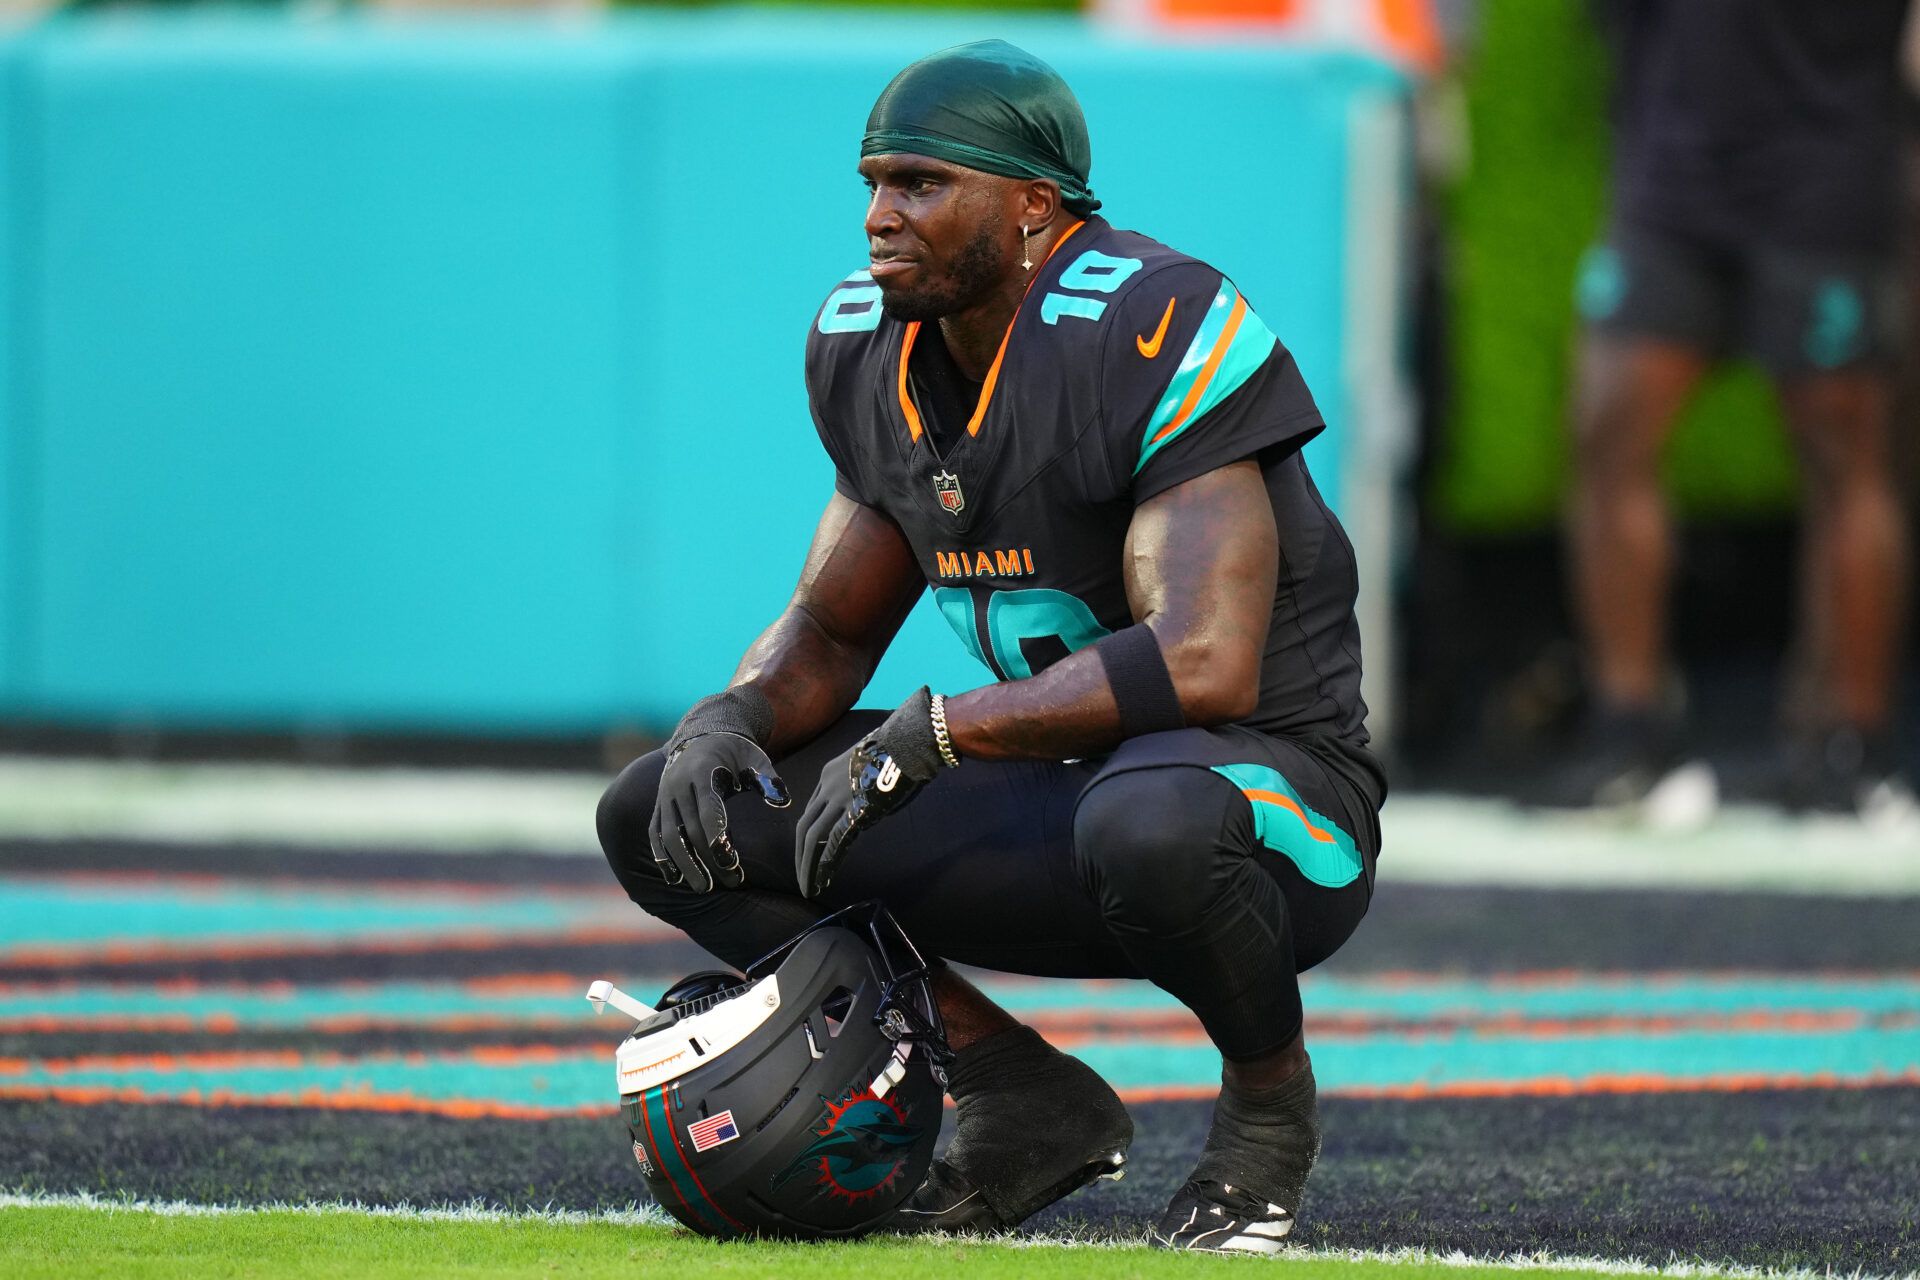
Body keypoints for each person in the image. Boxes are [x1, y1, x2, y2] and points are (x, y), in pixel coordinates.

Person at [597, 40, 1385, 1253]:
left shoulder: (1149, 321)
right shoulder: (869, 345)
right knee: (666, 811)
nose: (879, 218)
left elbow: (1205, 662)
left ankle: (1269, 1111)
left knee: (1152, 819)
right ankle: (1021, 1091)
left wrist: (947, 732)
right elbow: (829, 626)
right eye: (871, 183)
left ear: (1032, 206)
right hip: (1059, 790)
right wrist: (732, 715)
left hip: (1273, 802)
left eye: (918, 183)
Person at [1555, 0, 1912, 813]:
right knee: (1609, 432)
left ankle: (1852, 747)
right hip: (1674, 167)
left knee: (1846, 455)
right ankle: (1630, 730)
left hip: (1829, 164)